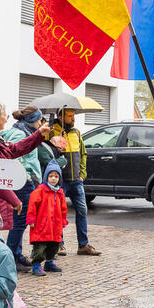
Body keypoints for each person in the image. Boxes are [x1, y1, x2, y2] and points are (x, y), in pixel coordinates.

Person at [0, 98, 55, 233]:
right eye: (5, 115)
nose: (6, 119)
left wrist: (38, 134)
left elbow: (13, 149)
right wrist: (14, 200)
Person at [1, 106, 49, 272]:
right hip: (22, 183)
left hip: (24, 181)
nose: (40, 123)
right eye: (39, 120)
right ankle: (13, 256)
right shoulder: (20, 133)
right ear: (34, 120)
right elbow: (14, 156)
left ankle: (17, 254)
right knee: (20, 221)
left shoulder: (22, 131)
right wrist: (27, 175)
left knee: (19, 220)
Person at [49, 108, 100, 256]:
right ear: (60, 116)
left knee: (82, 211)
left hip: (76, 180)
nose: (73, 119)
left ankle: (83, 245)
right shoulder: (52, 132)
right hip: (59, 181)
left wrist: (82, 173)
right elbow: (48, 155)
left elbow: (83, 153)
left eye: (73, 116)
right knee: (57, 213)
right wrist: (57, 141)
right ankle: (59, 244)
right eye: (70, 116)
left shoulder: (76, 133)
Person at [26, 160, 67, 276]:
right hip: (41, 225)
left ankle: (49, 262)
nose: (53, 179)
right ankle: (36, 265)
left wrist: (63, 220)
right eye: (51, 176)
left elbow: (64, 208)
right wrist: (31, 219)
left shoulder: (59, 192)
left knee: (54, 245)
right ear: (46, 177)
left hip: (55, 225)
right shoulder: (40, 190)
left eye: (56, 176)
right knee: (40, 246)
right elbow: (32, 205)